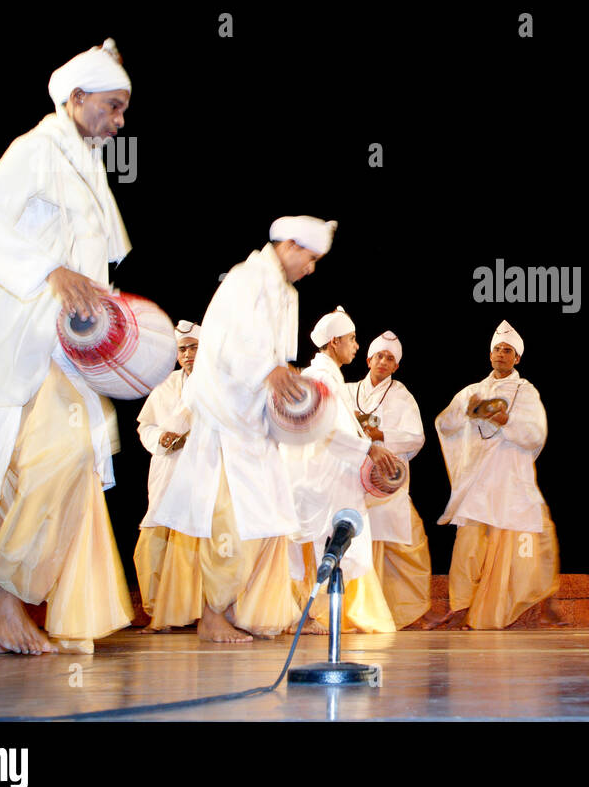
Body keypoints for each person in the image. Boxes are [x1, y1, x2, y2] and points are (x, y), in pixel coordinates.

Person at [0, 38, 136, 655]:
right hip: (22, 339)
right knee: (62, 456)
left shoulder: (85, 166)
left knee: (30, 473)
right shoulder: (35, 150)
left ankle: (4, 609)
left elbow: (91, 265)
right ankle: (3, 595)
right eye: (112, 106)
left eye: (123, 109)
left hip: (61, 347)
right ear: (76, 99)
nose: (119, 121)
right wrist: (48, 272)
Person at [142, 216, 335, 642]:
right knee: (230, 520)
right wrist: (271, 370)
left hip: (254, 427)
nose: (311, 268)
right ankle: (212, 616)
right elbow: (229, 341)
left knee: (263, 522)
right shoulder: (246, 280)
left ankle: (233, 610)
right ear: (288, 244)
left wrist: (284, 382)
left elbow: (276, 358)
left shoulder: (284, 294)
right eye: (311, 257)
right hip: (225, 424)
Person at [428, 321, 563, 629]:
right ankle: (461, 607)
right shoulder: (471, 391)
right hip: (478, 481)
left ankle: (538, 601)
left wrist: (505, 420)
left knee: (534, 538)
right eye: (497, 349)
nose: (501, 354)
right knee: (468, 546)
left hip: (512, 479)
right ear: (490, 355)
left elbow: (536, 434)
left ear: (517, 358)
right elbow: (443, 424)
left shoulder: (525, 392)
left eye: (508, 350)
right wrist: (465, 410)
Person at [283, 308, 400, 634]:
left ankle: (322, 615)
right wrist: (369, 448)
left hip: (330, 475)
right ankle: (312, 615)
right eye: (351, 339)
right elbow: (326, 428)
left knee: (339, 543)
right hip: (320, 477)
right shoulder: (321, 378)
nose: (356, 345)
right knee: (329, 544)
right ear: (334, 342)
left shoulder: (328, 375)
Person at [345, 331, 433, 629]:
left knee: (408, 547)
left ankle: (408, 612)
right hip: (350, 481)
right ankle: (354, 612)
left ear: (396, 367)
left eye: (390, 358)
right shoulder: (347, 391)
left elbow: (416, 438)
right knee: (355, 547)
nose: (383, 361)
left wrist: (381, 436)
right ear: (368, 359)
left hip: (387, 485)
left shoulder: (401, 396)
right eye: (379, 356)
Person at [132, 320, 203, 633]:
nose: (187, 354)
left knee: (197, 544)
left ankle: (201, 612)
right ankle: (159, 612)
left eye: (193, 347)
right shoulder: (166, 384)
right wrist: (159, 437)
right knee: (152, 545)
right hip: (167, 470)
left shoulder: (216, 383)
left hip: (201, 473)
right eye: (182, 349)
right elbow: (144, 425)